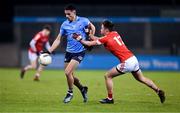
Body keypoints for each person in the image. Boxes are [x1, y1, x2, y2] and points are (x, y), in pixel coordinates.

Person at [73, 20, 165, 104]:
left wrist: (80, 39)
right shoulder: (115, 33)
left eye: (101, 28)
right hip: (133, 59)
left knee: (108, 76)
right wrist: (89, 34)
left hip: (127, 62)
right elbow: (99, 39)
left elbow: (90, 43)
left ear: (106, 29)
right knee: (141, 78)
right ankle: (158, 90)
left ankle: (110, 99)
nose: (100, 29)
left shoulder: (106, 38)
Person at [46, 4, 95, 103]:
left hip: (79, 52)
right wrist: (49, 51)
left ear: (74, 12)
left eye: (69, 14)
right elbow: (58, 39)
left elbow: (92, 27)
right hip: (69, 52)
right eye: (65, 14)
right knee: (70, 75)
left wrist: (90, 36)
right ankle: (82, 88)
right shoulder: (64, 24)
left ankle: (70, 93)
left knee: (67, 72)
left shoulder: (84, 20)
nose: (67, 16)